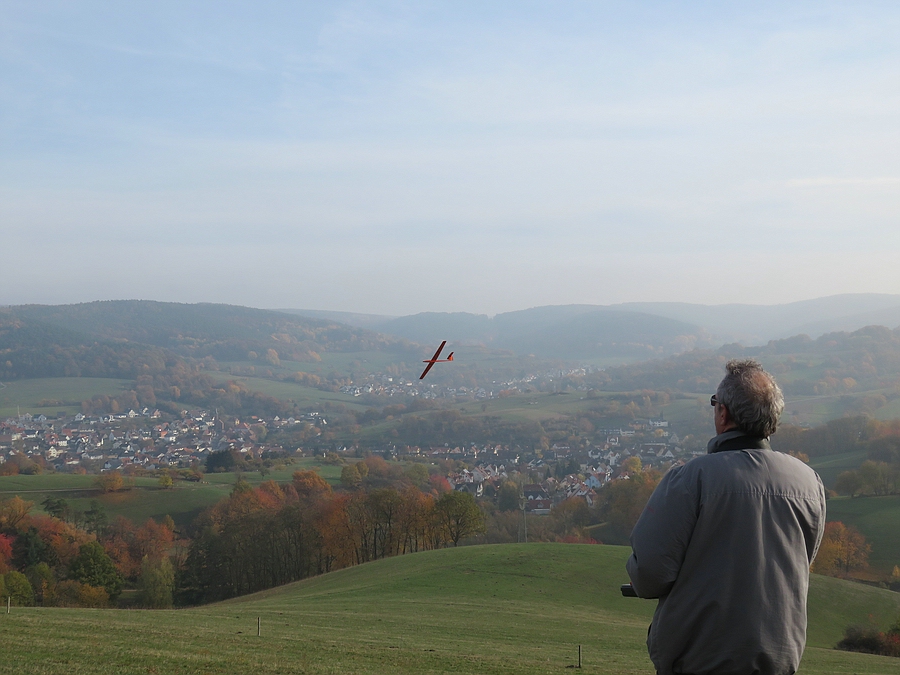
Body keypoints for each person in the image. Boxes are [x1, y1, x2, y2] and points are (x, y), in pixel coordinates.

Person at [626, 359, 826, 675]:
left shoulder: (690, 480)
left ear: (723, 413)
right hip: (779, 660)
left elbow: (649, 574)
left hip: (700, 660)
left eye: (715, 404)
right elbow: (803, 559)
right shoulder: (808, 483)